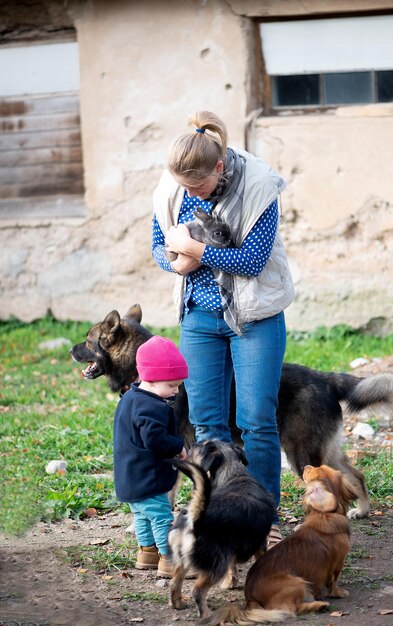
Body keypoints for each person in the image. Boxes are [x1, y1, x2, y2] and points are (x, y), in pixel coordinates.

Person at [152, 111, 295, 547]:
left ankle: (263, 514)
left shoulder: (258, 186)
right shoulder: (173, 187)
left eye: (197, 188)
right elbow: (159, 245)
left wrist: (192, 247)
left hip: (252, 316)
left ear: (219, 168)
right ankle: (213, 512)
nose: (189, 194)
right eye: (183, 187)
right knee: (207, 422)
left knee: (256, 421)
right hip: (198, 315)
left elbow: (251, 263)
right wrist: (176, 260)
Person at [113, 335, 188, 577]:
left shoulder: (129, 399)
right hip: (149, 477)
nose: (176, 391)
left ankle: (146, 553)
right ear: (151, 379)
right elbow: (154, 440)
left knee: (141, 516)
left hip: (129, 477)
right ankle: (169, 559)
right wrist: (178, 445)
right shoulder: (152, 407)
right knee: (161, 517)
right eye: (172, 385)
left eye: (178, 385)